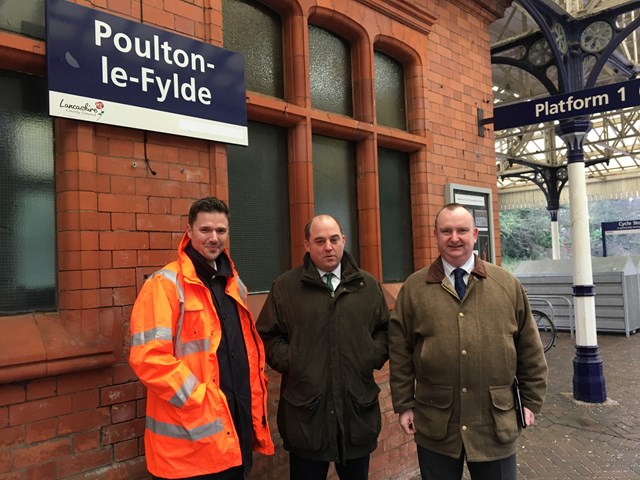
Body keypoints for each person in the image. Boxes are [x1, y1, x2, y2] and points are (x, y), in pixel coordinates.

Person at [389, 203, 548, 480]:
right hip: (436, 421)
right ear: (435, 236)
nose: (454, 237)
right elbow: (400, 352)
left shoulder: (507, 285)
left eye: (462, 230)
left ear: (475, 234)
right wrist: (404, 404)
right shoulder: (414, 289)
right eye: (446, 231)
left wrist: (531, 401)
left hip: (494, 422)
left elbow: (530, 348)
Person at [129, 196, 274, 480]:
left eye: (221, 231)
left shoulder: (234, 282)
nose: (214, 238)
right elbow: (148, 359)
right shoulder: (165, 284)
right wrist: (200, 399)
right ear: (189, 231)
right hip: (191, 444)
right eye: (205, 230)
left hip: (234, 432)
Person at [256, 214, 389, 480]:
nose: (328, 246)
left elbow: (385, 330)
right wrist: (293, 361)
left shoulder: (367, 285)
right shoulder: (286, 287)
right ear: (307, 245)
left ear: (344, 240)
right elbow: (267, 336)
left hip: (355, 412)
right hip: (306, 415)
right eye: (319, 241)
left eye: (334, 239)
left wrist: (369, 356)